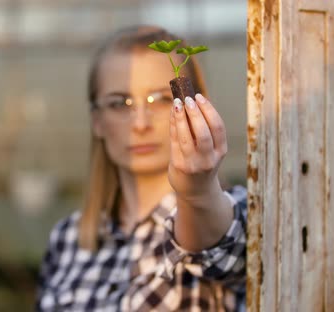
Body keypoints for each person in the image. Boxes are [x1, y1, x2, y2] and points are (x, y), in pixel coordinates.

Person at [36, 25, 247, 311]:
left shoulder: (234, 211)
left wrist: (197, 190)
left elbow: (215, 241)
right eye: (120, 103)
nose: (140, 124)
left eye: (160, 99)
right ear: (97, 120)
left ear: (194, 108)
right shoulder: (68, 237)